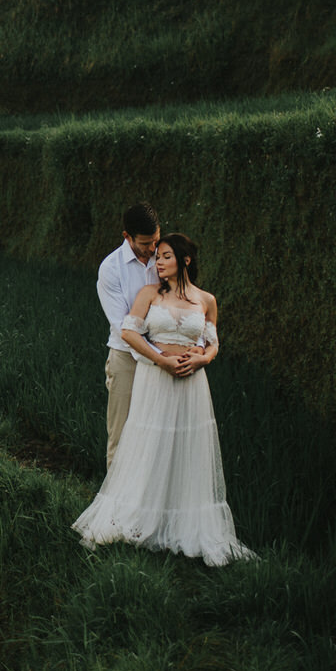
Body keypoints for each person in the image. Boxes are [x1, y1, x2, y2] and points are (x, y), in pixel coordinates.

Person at [72, 233, 255, 566]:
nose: (158, 262)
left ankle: (184, 522)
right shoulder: (149, 294)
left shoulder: (206, 299)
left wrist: (202, 359)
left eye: (165, 256)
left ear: (185, 260)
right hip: (156, 379)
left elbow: (212, 342)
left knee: (187, 447)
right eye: (157, 257)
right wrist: (161, 359)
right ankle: (139, 517)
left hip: (191, 384)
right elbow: (129, 332)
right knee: (149, 443)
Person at [95, 202, 161, 470]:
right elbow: (124, 326)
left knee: (156, 435)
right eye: (146, 244)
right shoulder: (111, 268)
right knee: (121, 437)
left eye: (156, 240)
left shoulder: (165, 256)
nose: (152, 249)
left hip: (163, 356)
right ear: (127, 237)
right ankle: (114, 507)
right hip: (127, 358)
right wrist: (157, 358)